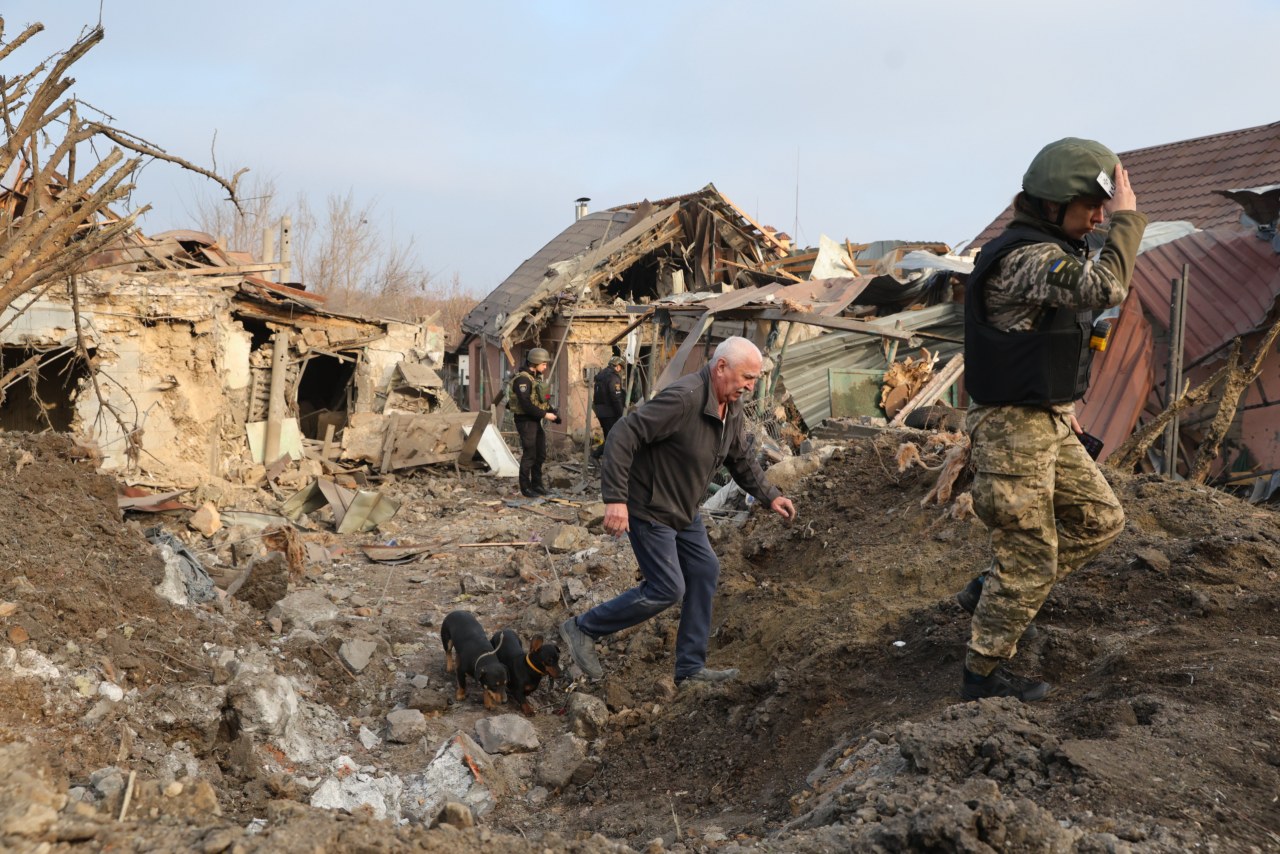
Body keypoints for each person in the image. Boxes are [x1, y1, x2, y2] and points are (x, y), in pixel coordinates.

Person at [959, 138, 1147, 702]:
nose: (1099, 218)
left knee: (1101, 518)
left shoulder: (1049, 250)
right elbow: (1106, 286)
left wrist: (1062, 407)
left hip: (1046, 422)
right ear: (1051, 203)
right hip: (1011, 433)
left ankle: (993, 589)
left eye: (1104, 209)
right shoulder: (1026, 259)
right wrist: (1128, 218)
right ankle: (982, 674)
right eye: (1091, 206)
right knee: (1031, 558)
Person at [559, 336, 796, 686]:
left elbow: (741, 457)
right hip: (650, 507)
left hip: (684, 509)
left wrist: (770, 496)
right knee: (668, 587)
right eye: (747, 377)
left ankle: (690, 668)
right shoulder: (685, 398)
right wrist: (616, 499)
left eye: (754, 379)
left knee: (704, 569)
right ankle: (583, 628)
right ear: (721, 367)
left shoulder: (730, 407)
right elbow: (624, 433)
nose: (750, 386)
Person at [508, 347, 559, 498]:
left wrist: (554, 413)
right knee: (530, 454)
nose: (545, 367)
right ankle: (526, 488)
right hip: (525, 421)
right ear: (535, 362)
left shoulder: (535, 378)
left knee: (540, 454)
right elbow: (526, 405)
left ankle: (537, 485)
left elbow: (542, 401)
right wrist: (545, 415)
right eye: (543, 364)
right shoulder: (522, 380)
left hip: (535, 420)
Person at [591, 355, 626, 462]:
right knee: (614, 437)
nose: (620, 370)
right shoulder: (613, 377)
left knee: (609, 437)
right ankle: (595, 455)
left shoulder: (601, 375)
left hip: (600, 412)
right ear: (618, 366)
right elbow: (616, 397)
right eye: (621, 367)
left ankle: (608, 460)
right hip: (610, 413)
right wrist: (621, 414)